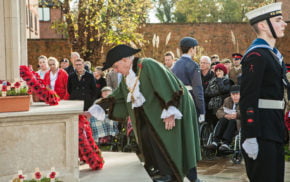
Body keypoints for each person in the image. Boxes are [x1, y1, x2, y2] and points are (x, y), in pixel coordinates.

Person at [85, 44, 201, 182]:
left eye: (116, 66)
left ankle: (186, 177)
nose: (116, 70)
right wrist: (96, 108)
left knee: (174, 141)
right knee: (147, 135)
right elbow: (118, 95)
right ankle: (164, 172)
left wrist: (170, 111)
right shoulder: (129, 76)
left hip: (175, 106)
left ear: (125, 60)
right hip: (153, 112)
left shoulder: (147, 65)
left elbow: (166, 84)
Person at [240, 2, 288, 182]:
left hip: (273, 127)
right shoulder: (257, 56)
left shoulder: (273, 55)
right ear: (262, 25)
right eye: (278, 20)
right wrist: (251, 135)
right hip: (261, 131)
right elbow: (248, 98)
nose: (284, 24)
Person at [172, 37, 205, 123]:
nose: (196, 50)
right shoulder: (193, 65)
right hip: (190, 100)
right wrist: (202, 111)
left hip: (178, 100)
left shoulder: (175, 65)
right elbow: (198, 89)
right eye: (195, 48)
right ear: (191, 49)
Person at [205, 85, 240, 152]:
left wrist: (236, 114)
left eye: (237, 94)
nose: (235, 96)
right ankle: (215, 142)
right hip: (227, 121)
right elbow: (219, 111)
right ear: (230, 95)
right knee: (222, 119)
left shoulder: (244, 101)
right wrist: (225, 115)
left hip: (238, 123)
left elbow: (245, 112)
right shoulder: (227, 100)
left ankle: (226, 143)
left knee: (232, 121)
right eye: (233, 94)